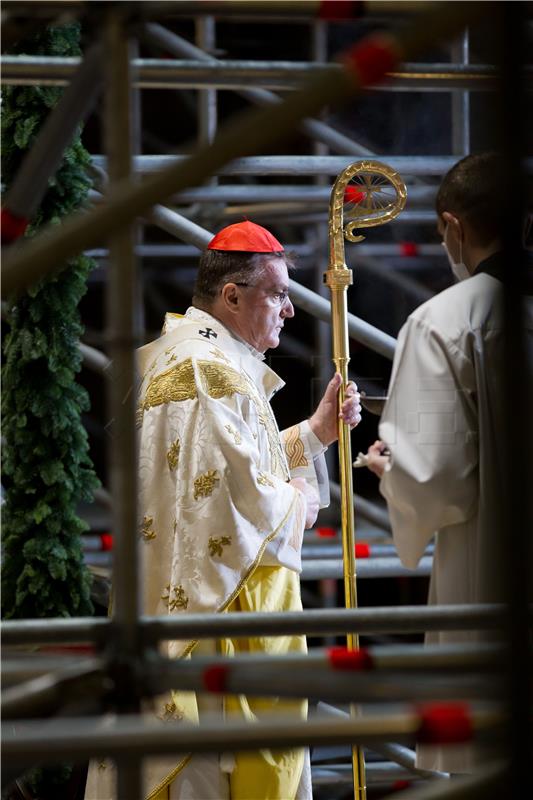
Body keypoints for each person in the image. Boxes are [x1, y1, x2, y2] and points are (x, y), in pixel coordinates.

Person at [85, 220, 361, 800]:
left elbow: (232, 467)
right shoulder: (202, 370)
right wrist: (302, 501)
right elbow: (233, 502)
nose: (290, 309)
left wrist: (313, 433)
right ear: (231, 295)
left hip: (210, 609)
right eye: (279, 293)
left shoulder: (207, 357)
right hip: (209, 635)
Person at [365, 152, 533, 773]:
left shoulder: (446, 321)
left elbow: (433, 476)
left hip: (492, 583)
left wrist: (394, 475)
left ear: (453, 227)